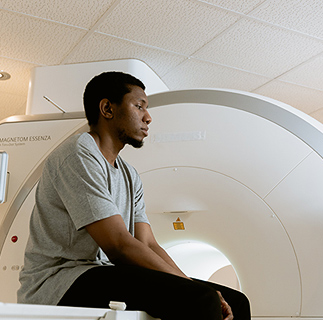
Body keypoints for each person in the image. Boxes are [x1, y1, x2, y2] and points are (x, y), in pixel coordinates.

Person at [18, 71, 251, 320]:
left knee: (237, 301)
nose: (148, 117)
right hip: (59, 281)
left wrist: (201, 286)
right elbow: (118, 245)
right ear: (107, 108)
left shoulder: (129, 174)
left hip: (102, 273)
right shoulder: (78, 154)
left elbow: (147, 243)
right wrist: (200, 290)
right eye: (139, 106)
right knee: (201, 299)